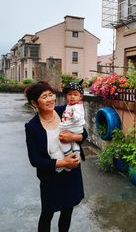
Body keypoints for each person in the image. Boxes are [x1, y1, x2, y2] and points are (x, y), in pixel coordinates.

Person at [24, 81, 87, 232]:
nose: (50, 99)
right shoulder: (32, 127)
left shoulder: (63, 111)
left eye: (51, 94)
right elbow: (35, 160)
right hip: (51, 178)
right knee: (47, 213)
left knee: (67, 212)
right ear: (34, 103)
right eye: (44, 96)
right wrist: (62, 162)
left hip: (71, 173)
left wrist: (73, 137)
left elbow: (83, 134)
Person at [59, 80, 85, 161]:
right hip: (74, 129)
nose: (72, 96)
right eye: (69, 94)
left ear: (80, 97)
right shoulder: (69, 106)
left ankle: (69, 153)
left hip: (74, 128)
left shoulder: (77, 106)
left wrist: (72, 115)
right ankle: (76, 151)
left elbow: (77, 118)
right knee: (73, 141)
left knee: (59, 137)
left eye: (75, 95)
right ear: (66, 96)